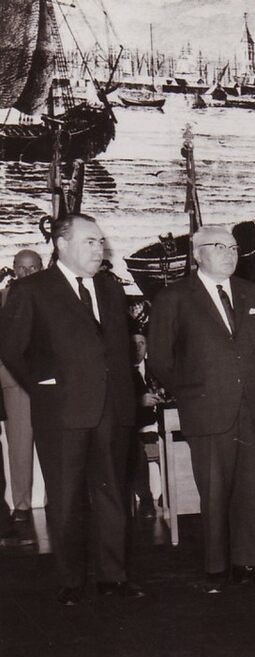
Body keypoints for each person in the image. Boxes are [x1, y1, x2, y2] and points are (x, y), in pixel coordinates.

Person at [0, 215, 141, 604]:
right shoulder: (31, 289)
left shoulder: (110, 288)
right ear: (62, 245)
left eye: (100, 242)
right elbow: (11, 347)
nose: (99, 249)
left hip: (111, 409)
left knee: (112, 495)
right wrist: (44, 384)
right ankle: (71, 582)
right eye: (89, 242)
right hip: (61, 412)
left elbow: (117, 349)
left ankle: (114, 578)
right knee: (66, 499)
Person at [148, 225, 255, 592]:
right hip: (207, 410)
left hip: (252, 409)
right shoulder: (175, 297)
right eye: (219, 247)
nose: (230, 254)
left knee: (253, 491)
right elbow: (160, 358)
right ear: (197, 254)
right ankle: (216, 569)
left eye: (234, 247)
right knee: (214, 492)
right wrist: (193, 392)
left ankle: (249, 565)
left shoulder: (253, 293)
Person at [0, 248, 42, 542]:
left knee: (55, 444)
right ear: (14, 268)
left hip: (45, 378)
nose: (26, 273)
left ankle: (55, 502)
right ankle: (21, 506)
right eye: (21, 267)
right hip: (13, 378)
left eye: (32, 267)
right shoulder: (3, 298)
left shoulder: (51, 296)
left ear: (41, 268)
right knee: (19, 444)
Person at [129, 332, 163, 519]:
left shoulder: (155, 367)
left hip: (160, 424)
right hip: (137, 428)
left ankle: (171, 494)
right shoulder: (123, 371)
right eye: (133, 343)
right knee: (136, 451)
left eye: (142, 343)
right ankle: (146, 500)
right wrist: (139, 401)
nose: (137, 348)